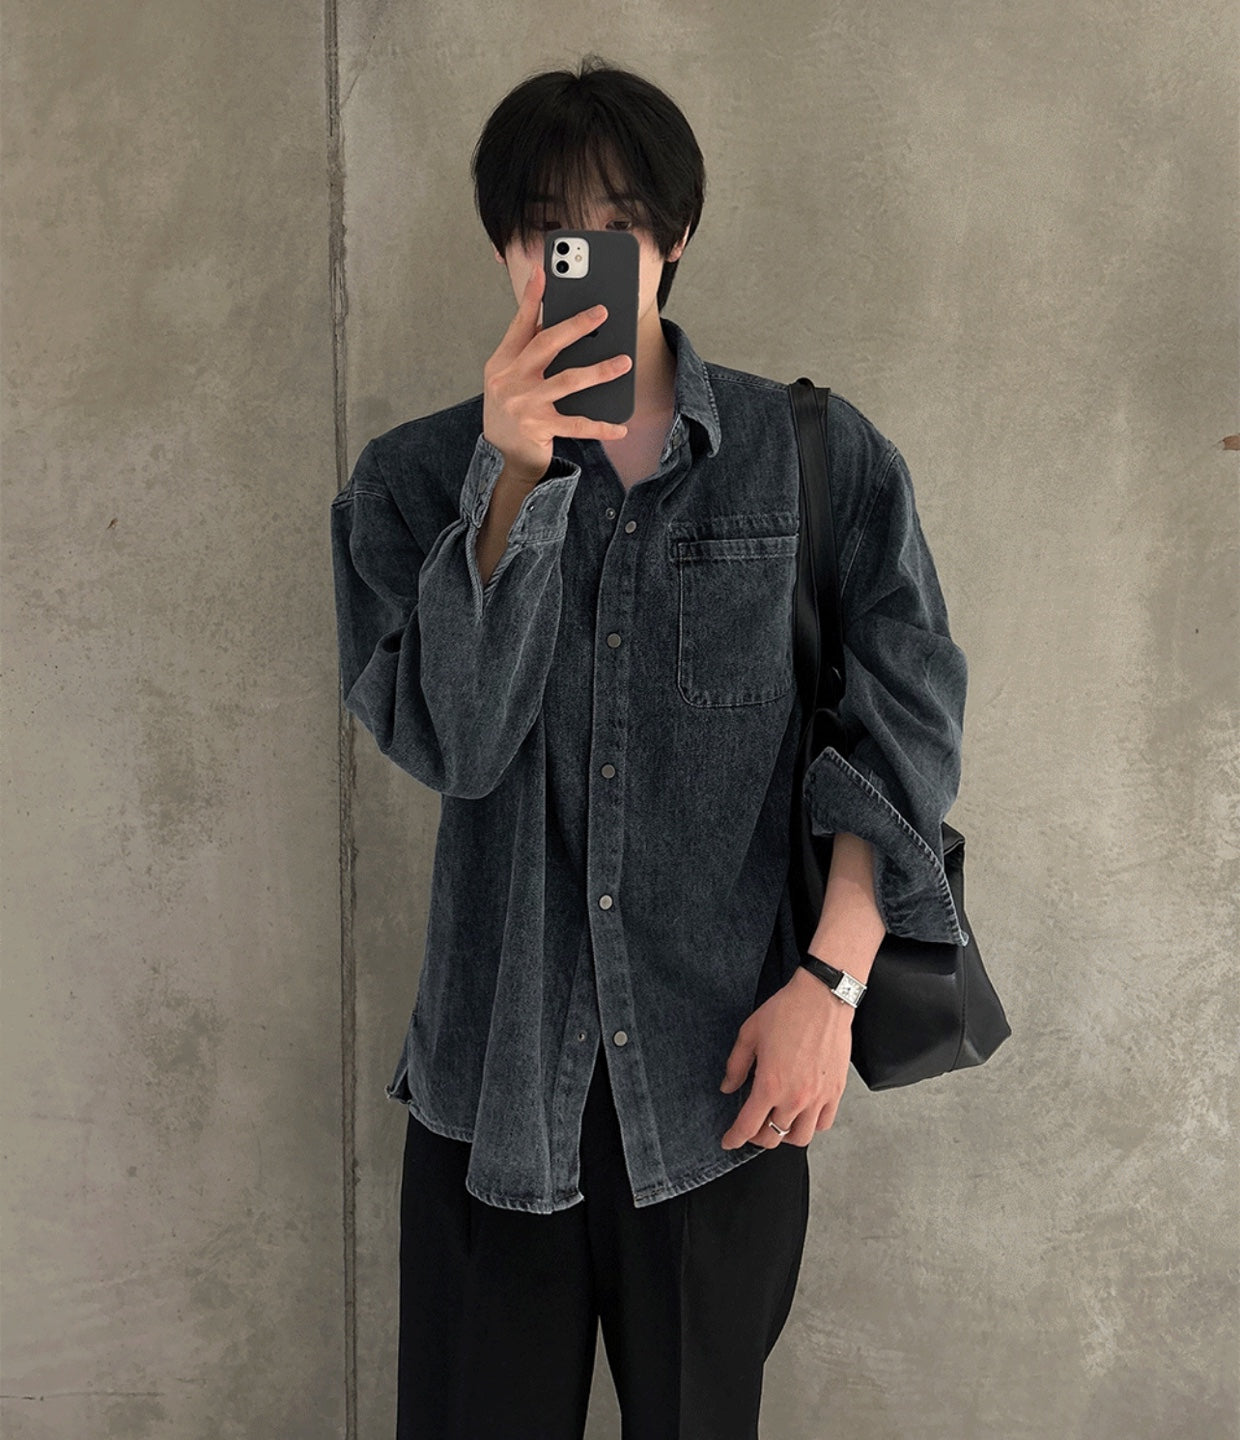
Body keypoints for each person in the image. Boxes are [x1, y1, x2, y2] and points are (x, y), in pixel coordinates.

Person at [330, 53, 969, 1440]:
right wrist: (510, 480)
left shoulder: (815, 458)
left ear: (674, 236)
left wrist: (830, 987)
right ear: (505, 251)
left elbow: (903, 735)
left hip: (725, 1084)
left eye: (617, 222)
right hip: (494, 1093)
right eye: (547, 227)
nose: (582, 254)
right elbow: (458, 743)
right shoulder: (407, 485)